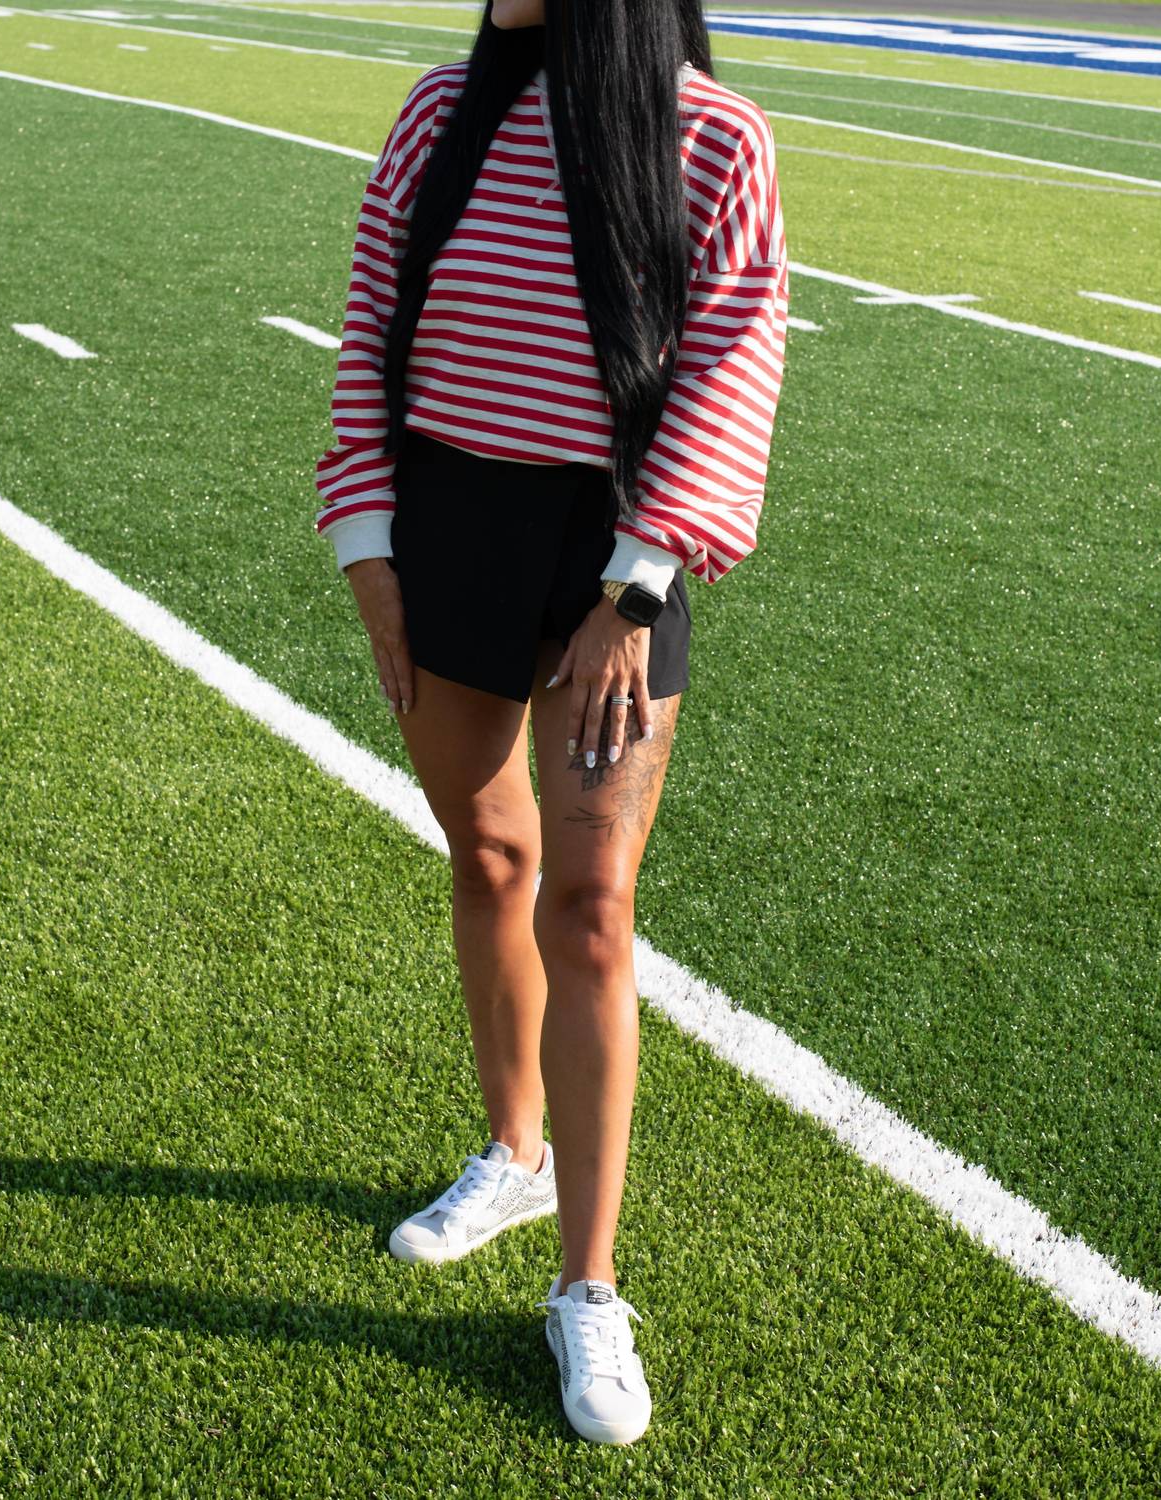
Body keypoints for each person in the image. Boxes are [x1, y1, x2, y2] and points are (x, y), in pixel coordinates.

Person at [312, 0, 788, 1446]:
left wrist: (634, 591)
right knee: (489, 857)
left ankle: (588, 1284)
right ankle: (514, 1154)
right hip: (445, 526)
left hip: (614, 549)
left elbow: (731, 362)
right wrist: (369, 550)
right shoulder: (437, 111)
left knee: (590, 907)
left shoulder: (714, 136)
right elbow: (369, 329)